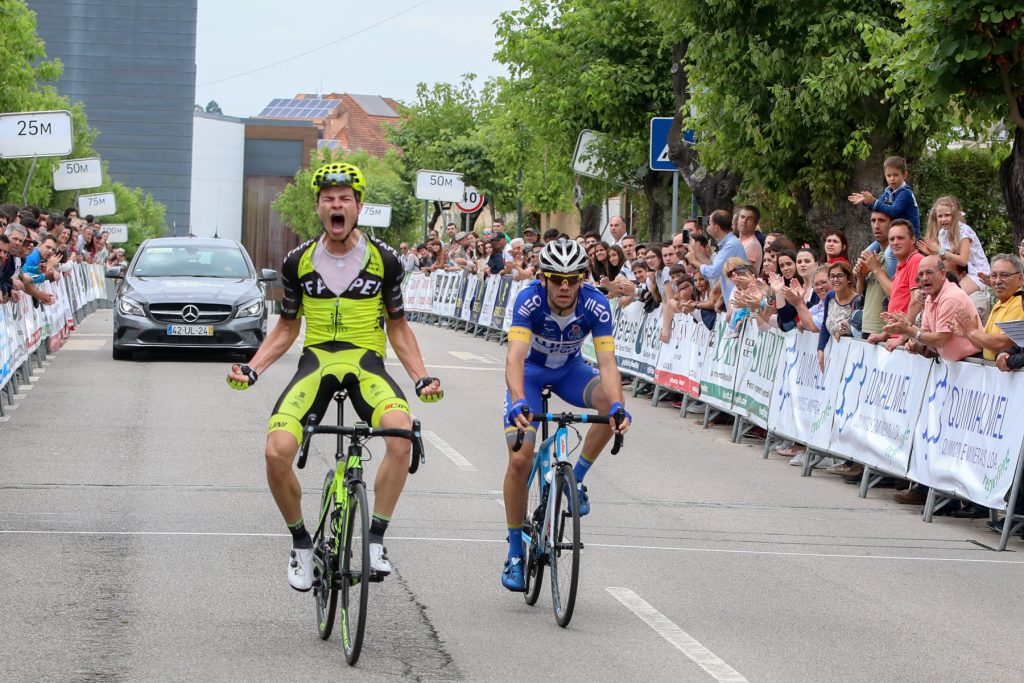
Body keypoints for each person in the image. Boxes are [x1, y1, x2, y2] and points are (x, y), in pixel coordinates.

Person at [225, 162, 444, 592]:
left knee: (401, 436)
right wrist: (253, 368)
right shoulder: (297, 261)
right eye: (328, 199)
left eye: (345, 198)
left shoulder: (385, 260)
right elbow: (287, 327)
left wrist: (421, 377)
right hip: (316, 364)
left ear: (358, 207)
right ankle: (301, 544)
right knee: (275, 452)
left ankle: (375, 539)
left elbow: (398, 327)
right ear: (319, 208)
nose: (336, 205)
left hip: (366, 364)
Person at [500, 239, 631, 591]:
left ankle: (579, 480)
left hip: (570, 372)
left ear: (582, 279)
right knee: (520, 459)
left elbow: (607, 363)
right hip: (529, 375)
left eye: (572, 279)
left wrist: (617, 405)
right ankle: (514, 552)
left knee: (609, 405)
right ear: (543, 278)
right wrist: (517, 400)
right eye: (556, 279)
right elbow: (515, 357)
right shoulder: (529, 300)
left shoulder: (595, 304)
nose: (564, 286)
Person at [864, 219, 924, 351]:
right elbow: (899, 303)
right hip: (898, 338)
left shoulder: (916, 260)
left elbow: (917, 302)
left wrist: (902, 338)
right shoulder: (901, 264)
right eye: (891, 239)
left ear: (913, 240)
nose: (895, 242)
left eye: (900, 238)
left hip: (908, 342)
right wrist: (884, 335)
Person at [951, 254, 1023, 360]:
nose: (997, 281)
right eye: (993, 276)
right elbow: (985, 347)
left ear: (1020, 279)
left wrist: (972, 332)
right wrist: (968, 334)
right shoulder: (1000, 303)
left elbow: (1003, 344)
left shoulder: (1020, 303)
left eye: (1004, 275)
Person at [916, 196, 990, 296]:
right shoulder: (943, 233)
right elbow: (946, 258)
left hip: (977, 273)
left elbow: (963, 261)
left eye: (947, 215)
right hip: (958, 272)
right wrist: (932, 254)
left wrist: (939, 250)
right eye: (940, 216)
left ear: (955, 215)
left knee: (953, 295)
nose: (943, 219)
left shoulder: (964, 231)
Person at [848, 155, 921, 238]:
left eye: (895, 175)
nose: (892, 179)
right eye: (889, 175)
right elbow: (878, 208)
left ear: (905, 175)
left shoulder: (905, 192)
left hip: (910, 237)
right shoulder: (888, 191)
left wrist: (873, 201)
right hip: (895, 234)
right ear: (885, 176)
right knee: (870, 247)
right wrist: (866, 201)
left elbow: (893, 211)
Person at [687, 209, 747, 302]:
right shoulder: (726, 244)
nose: (708, 227)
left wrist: (694, 261)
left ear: (716, 227)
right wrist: (696, 251)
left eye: (710, 224)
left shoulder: (731, 245)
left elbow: (712, 272)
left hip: (738, 302)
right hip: (732, 301)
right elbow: (712, 267)